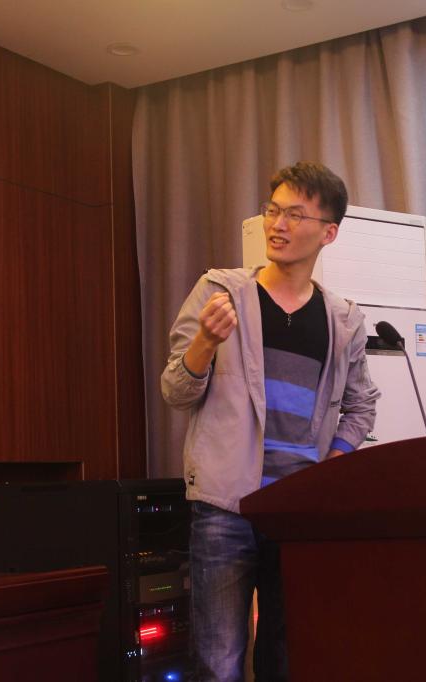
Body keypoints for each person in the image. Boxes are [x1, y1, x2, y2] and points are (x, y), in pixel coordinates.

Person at [161, 161, 380, 681]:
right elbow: (175, 390)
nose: (277, 225)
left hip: (299, 513)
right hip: (225, 507)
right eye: (272, 210)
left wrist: (332, 463)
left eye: (295, 215)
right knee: (218, 664)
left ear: (328, 232)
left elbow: (362, 406)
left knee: (289, 658)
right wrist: (204, 343)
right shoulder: (220, 292)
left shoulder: (343, 320)